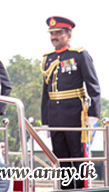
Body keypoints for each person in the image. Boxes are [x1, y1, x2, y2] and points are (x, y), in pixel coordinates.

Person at [41, 16, 101, 189]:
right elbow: (46, 92)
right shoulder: (48, 59)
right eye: (52, 33)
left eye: (58, 33)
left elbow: (93, 85)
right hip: (54, 116)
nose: (54, 37)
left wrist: (93, 115)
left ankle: (80, 189)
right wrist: (45, 120)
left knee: (77, 157)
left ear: (69, 35)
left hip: (75, 114)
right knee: (60, 158)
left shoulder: (79, 55)